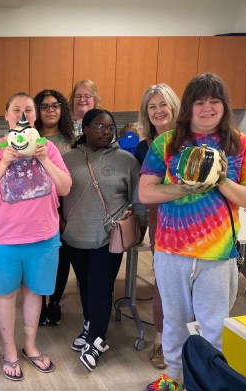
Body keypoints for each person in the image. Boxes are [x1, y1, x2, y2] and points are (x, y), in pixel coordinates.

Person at [139, 73, 246, 391]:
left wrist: (220, 179)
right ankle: (174, 374)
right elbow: (146, 193)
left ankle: (211, 383)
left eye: (215, 101)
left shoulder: (241, 145)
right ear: (189, 107)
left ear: (225, 106)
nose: (208, 108)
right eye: (200, 101)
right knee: (174, 319)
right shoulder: (166, 144)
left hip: (218, 254)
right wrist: (185, 186)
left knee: (214, 326)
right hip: (171, 251)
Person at [0, 92, 71, 381]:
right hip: (3, 239)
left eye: (28, 109)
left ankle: (30, 346)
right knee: (5, 295)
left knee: (35, 293)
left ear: (35, 116)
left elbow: (65, 187)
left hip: (43, 237)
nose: (22, 114)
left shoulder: (48, 148)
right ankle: (9, 350)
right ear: (6, 116)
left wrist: (44, 159)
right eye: (16, 109)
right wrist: (3, 162)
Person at [62, 108, 147, 372]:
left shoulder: (126, 161)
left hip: (109, 238)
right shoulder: (66, 159)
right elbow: (54, 195)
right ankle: (90, 326)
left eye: (110, 128)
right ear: (84, 129)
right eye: (99, 126)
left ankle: (97, 340)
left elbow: (138, 199)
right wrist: (61, 224)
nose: (106, 132)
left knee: (100, 286)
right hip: (74, 237)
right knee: (85, 285)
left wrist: (140, 229)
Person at [135, 83, 181, 370]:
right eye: (152, 107)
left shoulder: (192, 141)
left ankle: (193, 343)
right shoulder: (144, 147)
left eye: (163, 104)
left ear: (174, 107)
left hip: (196, 221)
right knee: (164, 282)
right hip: (161, 221)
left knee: (193, 284)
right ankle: (162, 342)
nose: (158, 111)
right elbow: (144, 192)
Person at [33, 89, 75, 326]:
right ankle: (37, 304)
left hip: (67, 208)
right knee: (39, 260)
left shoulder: (72, 141)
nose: (51, 110)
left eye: (55, 105)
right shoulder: (29, 139)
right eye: (45, 106)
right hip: (39, 211)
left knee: (61, 259)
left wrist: (63, 213)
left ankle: (55, 302)